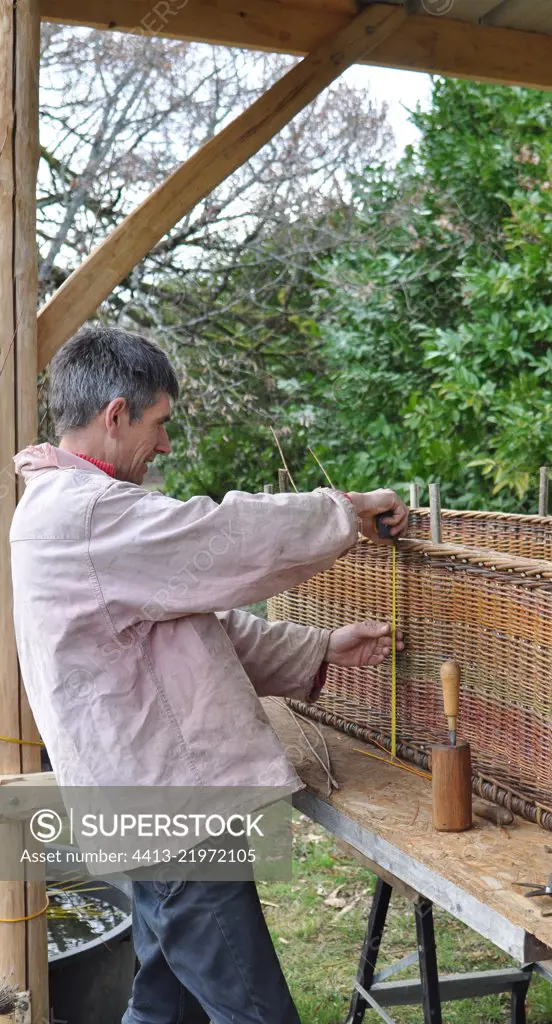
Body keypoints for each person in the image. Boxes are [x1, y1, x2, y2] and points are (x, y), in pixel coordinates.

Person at [10, 326, 408, 1024]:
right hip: (169, 819)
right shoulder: (88, 515)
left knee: (166, 1008)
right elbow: (224, 539)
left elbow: (194, 635)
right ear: (114, 414)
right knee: (256, 1015)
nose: (164, 443)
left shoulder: (69, 512)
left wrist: (320, 648)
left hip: (152, 806)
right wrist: (345, 510)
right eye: (158, 423)